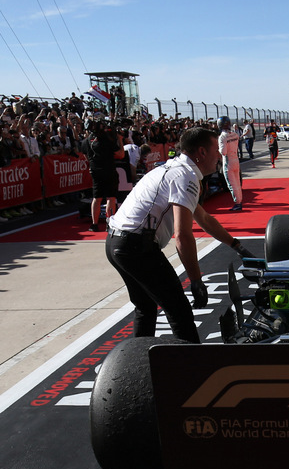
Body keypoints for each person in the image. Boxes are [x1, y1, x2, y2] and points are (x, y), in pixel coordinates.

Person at [104, 126, 252, 342]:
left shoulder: (176, 168)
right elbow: (182, 235)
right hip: (136, 246)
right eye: (215, 150)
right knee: (179, 311)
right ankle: (192, 369)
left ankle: (141, 361)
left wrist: (237, 246)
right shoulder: (186, 176)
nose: (219, 156)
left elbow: (203, 218)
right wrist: (196, 280)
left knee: (145, 307)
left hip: (116, 242)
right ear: (201, 152)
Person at [217, 116, 243, 211]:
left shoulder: (222, 137)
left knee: (231, 184)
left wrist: (218, 149)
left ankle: (238, 203)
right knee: (237, 182)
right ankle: (239, 201)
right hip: (236, 159)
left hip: (228, 162)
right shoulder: (235, 134)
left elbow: (223, 152)